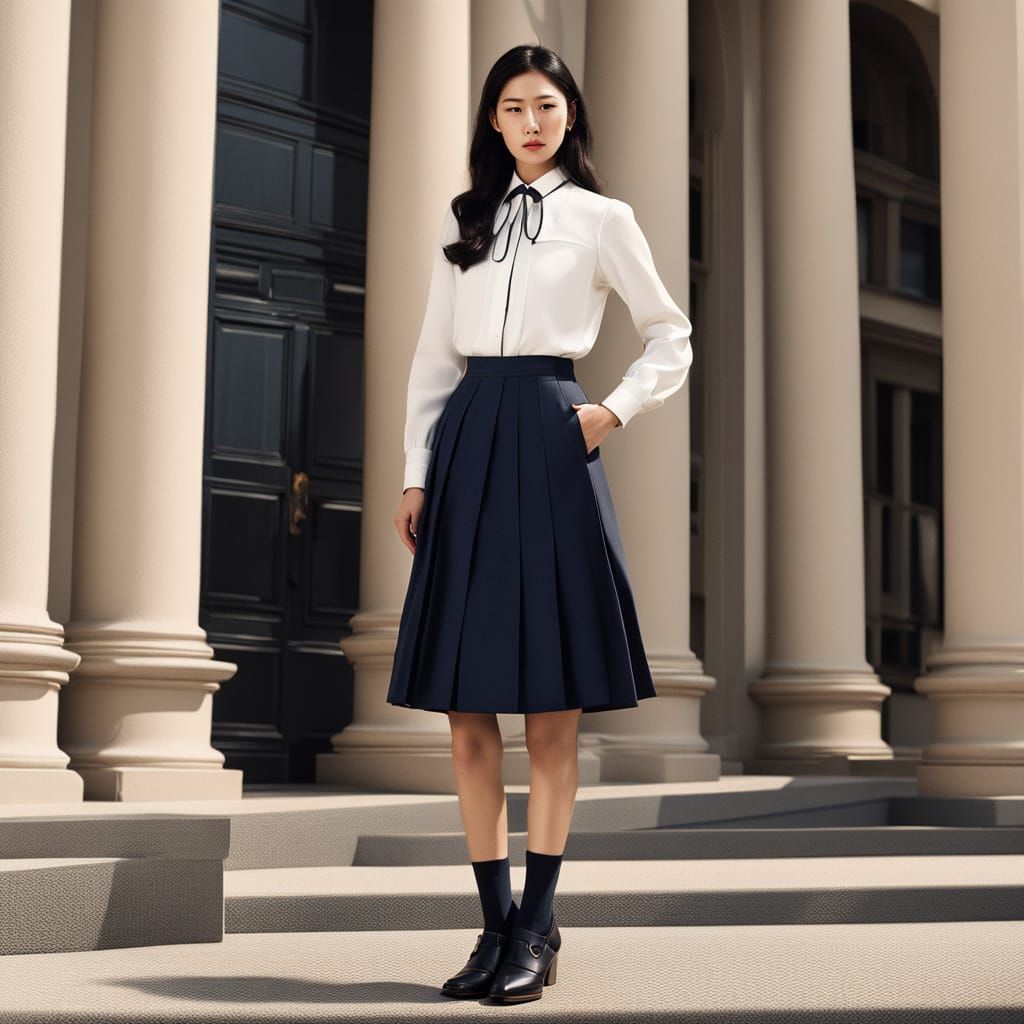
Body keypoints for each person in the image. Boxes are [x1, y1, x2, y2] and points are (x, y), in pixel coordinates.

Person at [386, 43, 693, 1004]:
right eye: (513, 107)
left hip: (555, 441)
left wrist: (612, 411)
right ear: (493, 120)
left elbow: (668, 332)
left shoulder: (603, 219)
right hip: (469, 442)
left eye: (546, 107)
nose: (529, 121)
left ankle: (539, 925)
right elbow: (434, 356)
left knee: (550, 712)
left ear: (569, 119)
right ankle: (491, 931)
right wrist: (414, 473)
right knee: (467, 712)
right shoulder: (464, 219)